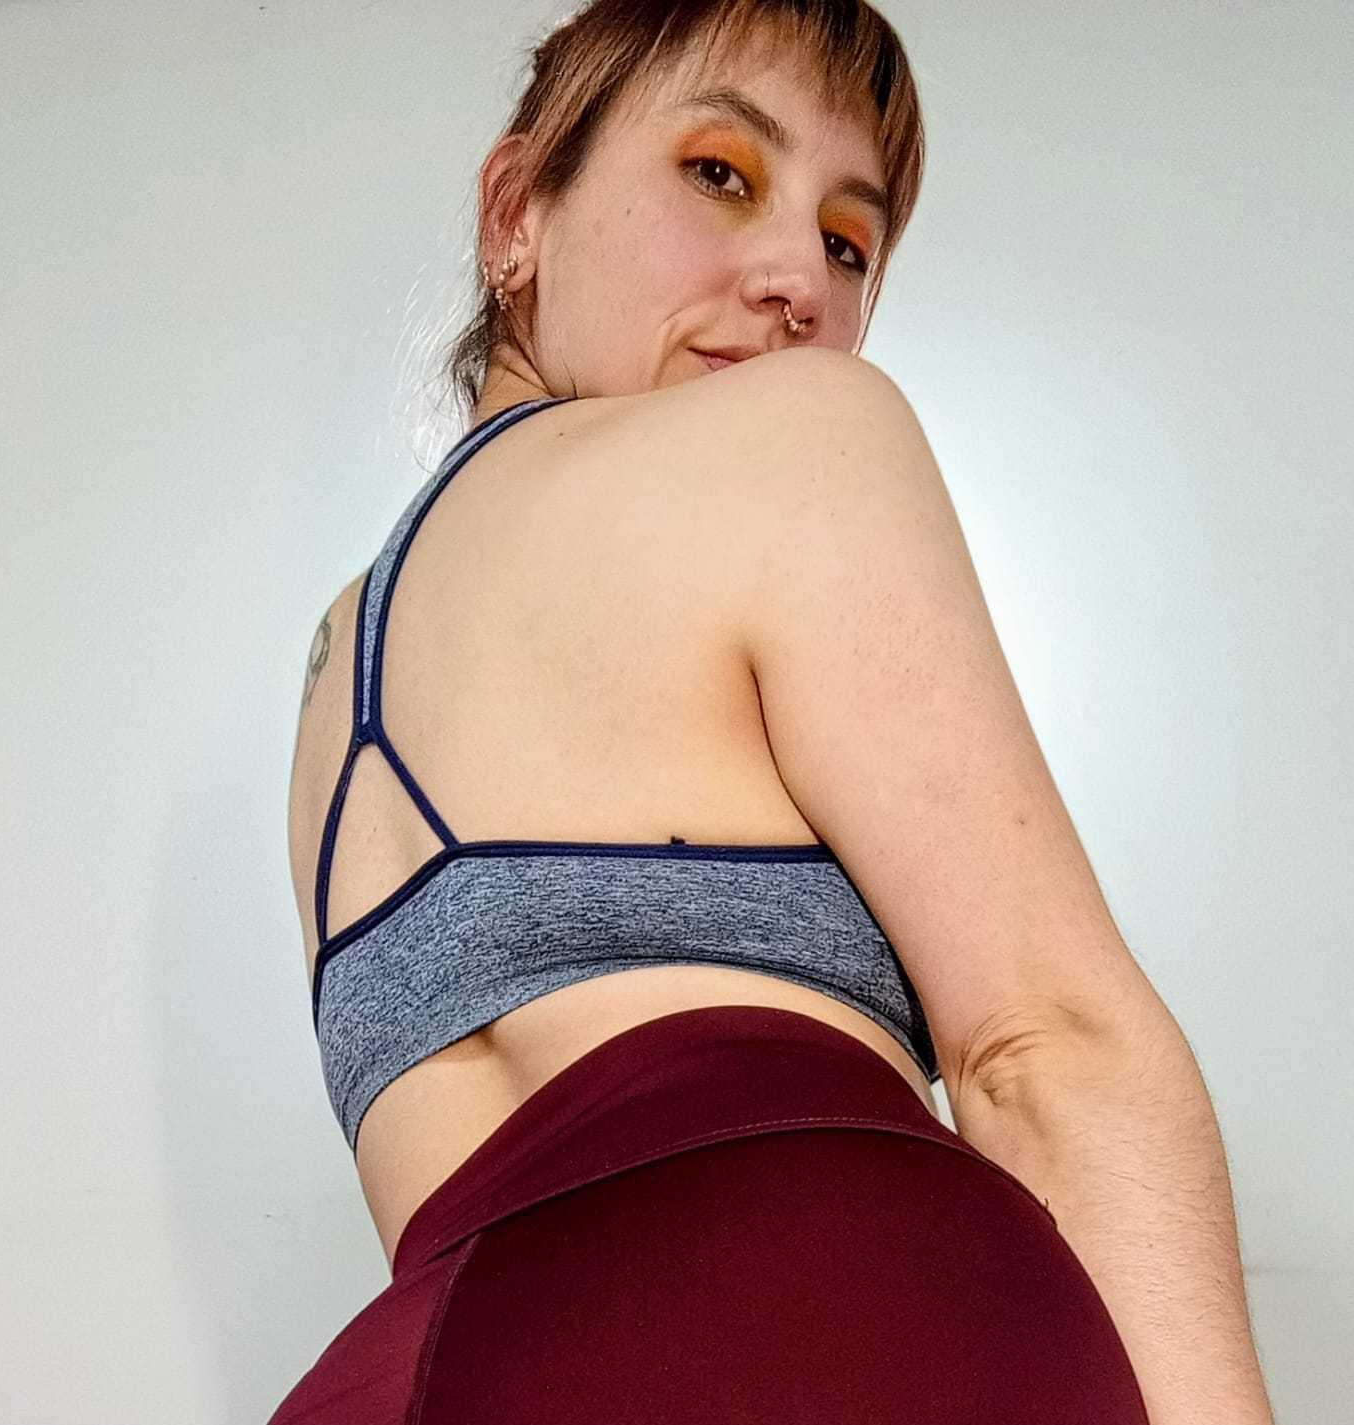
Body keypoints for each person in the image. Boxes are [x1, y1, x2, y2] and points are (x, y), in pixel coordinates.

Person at [274, 3, 1276, 1422]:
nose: (801, 279)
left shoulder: (336, 666)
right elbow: (1048, 1051)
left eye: (849, 243)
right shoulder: (802, 437)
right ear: (517, 211)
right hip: (810, 1322)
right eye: (721, 172)